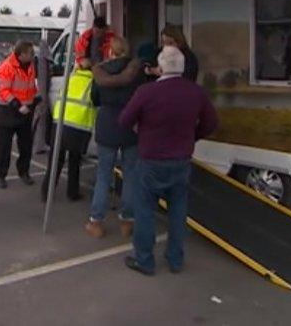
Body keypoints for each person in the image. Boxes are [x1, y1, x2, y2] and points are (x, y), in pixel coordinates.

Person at [119, 46, 218, 276]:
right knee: (178, 211)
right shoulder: (196, 92)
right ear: (182, 68)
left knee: (144, 211)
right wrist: (193, 136)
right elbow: (212, 122)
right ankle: (175, 259)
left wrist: (140, 130)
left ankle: (145, 260)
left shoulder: (146, 92)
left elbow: (124, 120)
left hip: (151, 159)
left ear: (160, 68)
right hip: (181, 159)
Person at [85, 37, 143, 238]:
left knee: (103, 175)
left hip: (107, 122)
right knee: (130, 175)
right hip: (131, 124)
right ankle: (127, 221)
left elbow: (94, 99)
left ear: (111, 51)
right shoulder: (137, 71)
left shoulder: (101, 71)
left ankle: (96, 221)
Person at [42, 58, 97, 202]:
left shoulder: (68, 79)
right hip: (78, 127)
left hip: (59, 123)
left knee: (55, 162)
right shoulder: (92, 83)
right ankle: (72, 192)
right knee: (74, 162)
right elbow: (96, 102)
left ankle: (46, 192)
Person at [0, 41, 39, 188]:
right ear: (22, 55)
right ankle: (1, 175)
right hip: (8, 111)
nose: (33, 55)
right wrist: (17, 105)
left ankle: (24, 171)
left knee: (26, 146)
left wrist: (35, 99)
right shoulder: (8, 67)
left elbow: (30, 86)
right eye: (31, 53)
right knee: (4, 146)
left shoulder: (31, 66)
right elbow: (3, 91)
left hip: (26, 111)